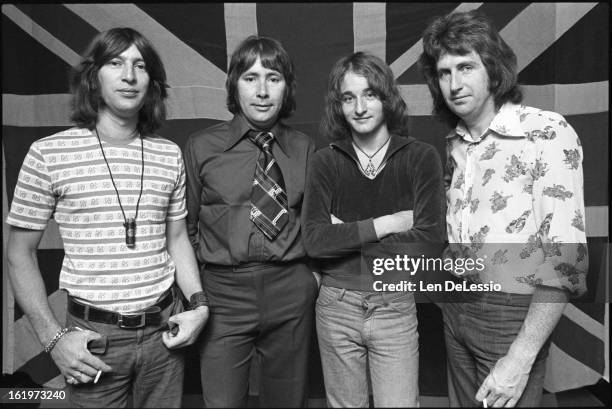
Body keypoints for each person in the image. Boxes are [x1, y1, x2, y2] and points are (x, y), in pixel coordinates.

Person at [6, 28, 209, 408]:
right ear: (93, 77)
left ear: (152, 82)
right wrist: (53, 338)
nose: (129, 75)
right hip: (93, 337)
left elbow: (177, 238)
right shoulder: (49, 154)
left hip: (164, 332)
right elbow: (18, 253)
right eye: (115, 63)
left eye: (140, 65)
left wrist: (198, 305)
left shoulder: (168, 154)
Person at [419, 10, 588, 407]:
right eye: (444, 72)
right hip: (457, 305)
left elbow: (565, 259)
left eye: (466, 67)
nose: (455, 84)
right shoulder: (456, 144)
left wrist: (521, 355)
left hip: (511, 311)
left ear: (493, 69)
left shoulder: (545, 131)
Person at [302, 51, 446, 407]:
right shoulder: (325, 161)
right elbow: (315, 243)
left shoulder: (420, 156)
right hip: (336, 305)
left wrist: (346, 234)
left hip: (394, 302)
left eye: (369, 94)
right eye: (349, 98)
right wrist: (391, 223)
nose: (360, 107)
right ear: (339, 105)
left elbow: (429, 244)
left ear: (386, 98)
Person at [184, 35, 317, 408]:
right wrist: (207, 283)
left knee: (287, 401)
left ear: (286, 86)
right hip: (224, 293)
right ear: (234, 85)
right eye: (250, 77)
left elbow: (314, 224)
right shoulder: (201, 147)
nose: (262, 91)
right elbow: (186, 228)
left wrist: (310, 279)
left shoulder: (304, 148)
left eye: (273, 78)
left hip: (290, 288)